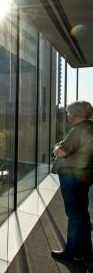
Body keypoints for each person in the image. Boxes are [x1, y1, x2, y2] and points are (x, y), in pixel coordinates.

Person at [51, 100, 93, 262]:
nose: (67, 115)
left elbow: (61, 151)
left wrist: (56, 147)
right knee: (81, 213)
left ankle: (71, 252)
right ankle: (85, 250)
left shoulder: (79, 130)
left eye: (69, 112)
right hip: (82, 176)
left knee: (74, 214)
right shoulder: (89, 127)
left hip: (73, 176)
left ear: (76, 114)